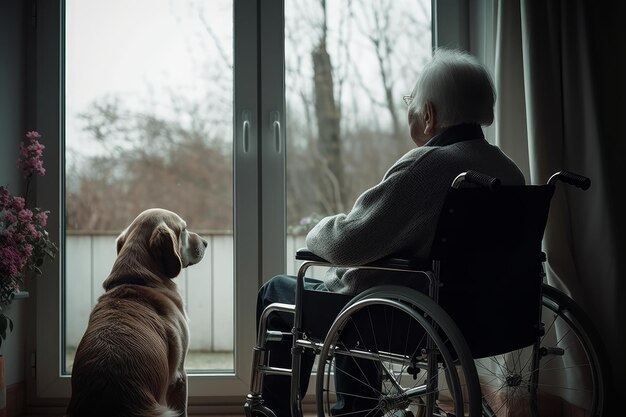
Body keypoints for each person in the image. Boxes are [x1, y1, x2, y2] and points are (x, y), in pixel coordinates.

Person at [256, 48, 525, 417]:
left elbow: (350, 242)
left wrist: (317, 227)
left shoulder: (427, 166)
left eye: (411, 103)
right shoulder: (507, 170)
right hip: (483, 315)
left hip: (408, 317)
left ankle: (281, 412)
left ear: (429, 114)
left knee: (278, 291)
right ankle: (356, 407)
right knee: (365, 291)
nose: (410, 112)